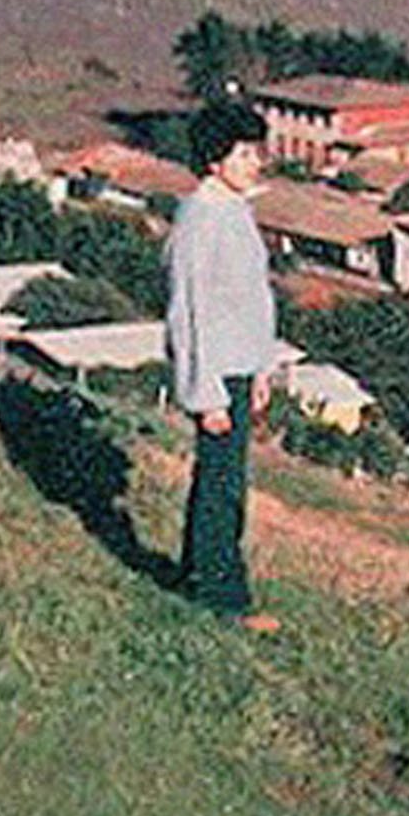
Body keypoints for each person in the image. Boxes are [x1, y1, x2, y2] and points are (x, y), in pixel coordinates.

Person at [164, 100, 282, 631]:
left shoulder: (234, 209)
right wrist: (205, 393)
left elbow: (252, 300)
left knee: (221, 479)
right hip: (214, 374)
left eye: (257, 152)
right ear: (214, 160)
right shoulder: (199, 219)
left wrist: (261, 368)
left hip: (238, 368)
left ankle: (198, 577)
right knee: (223, 486)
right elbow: (189, 312)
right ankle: (223, 598)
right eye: (244, 154)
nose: (256, 162)